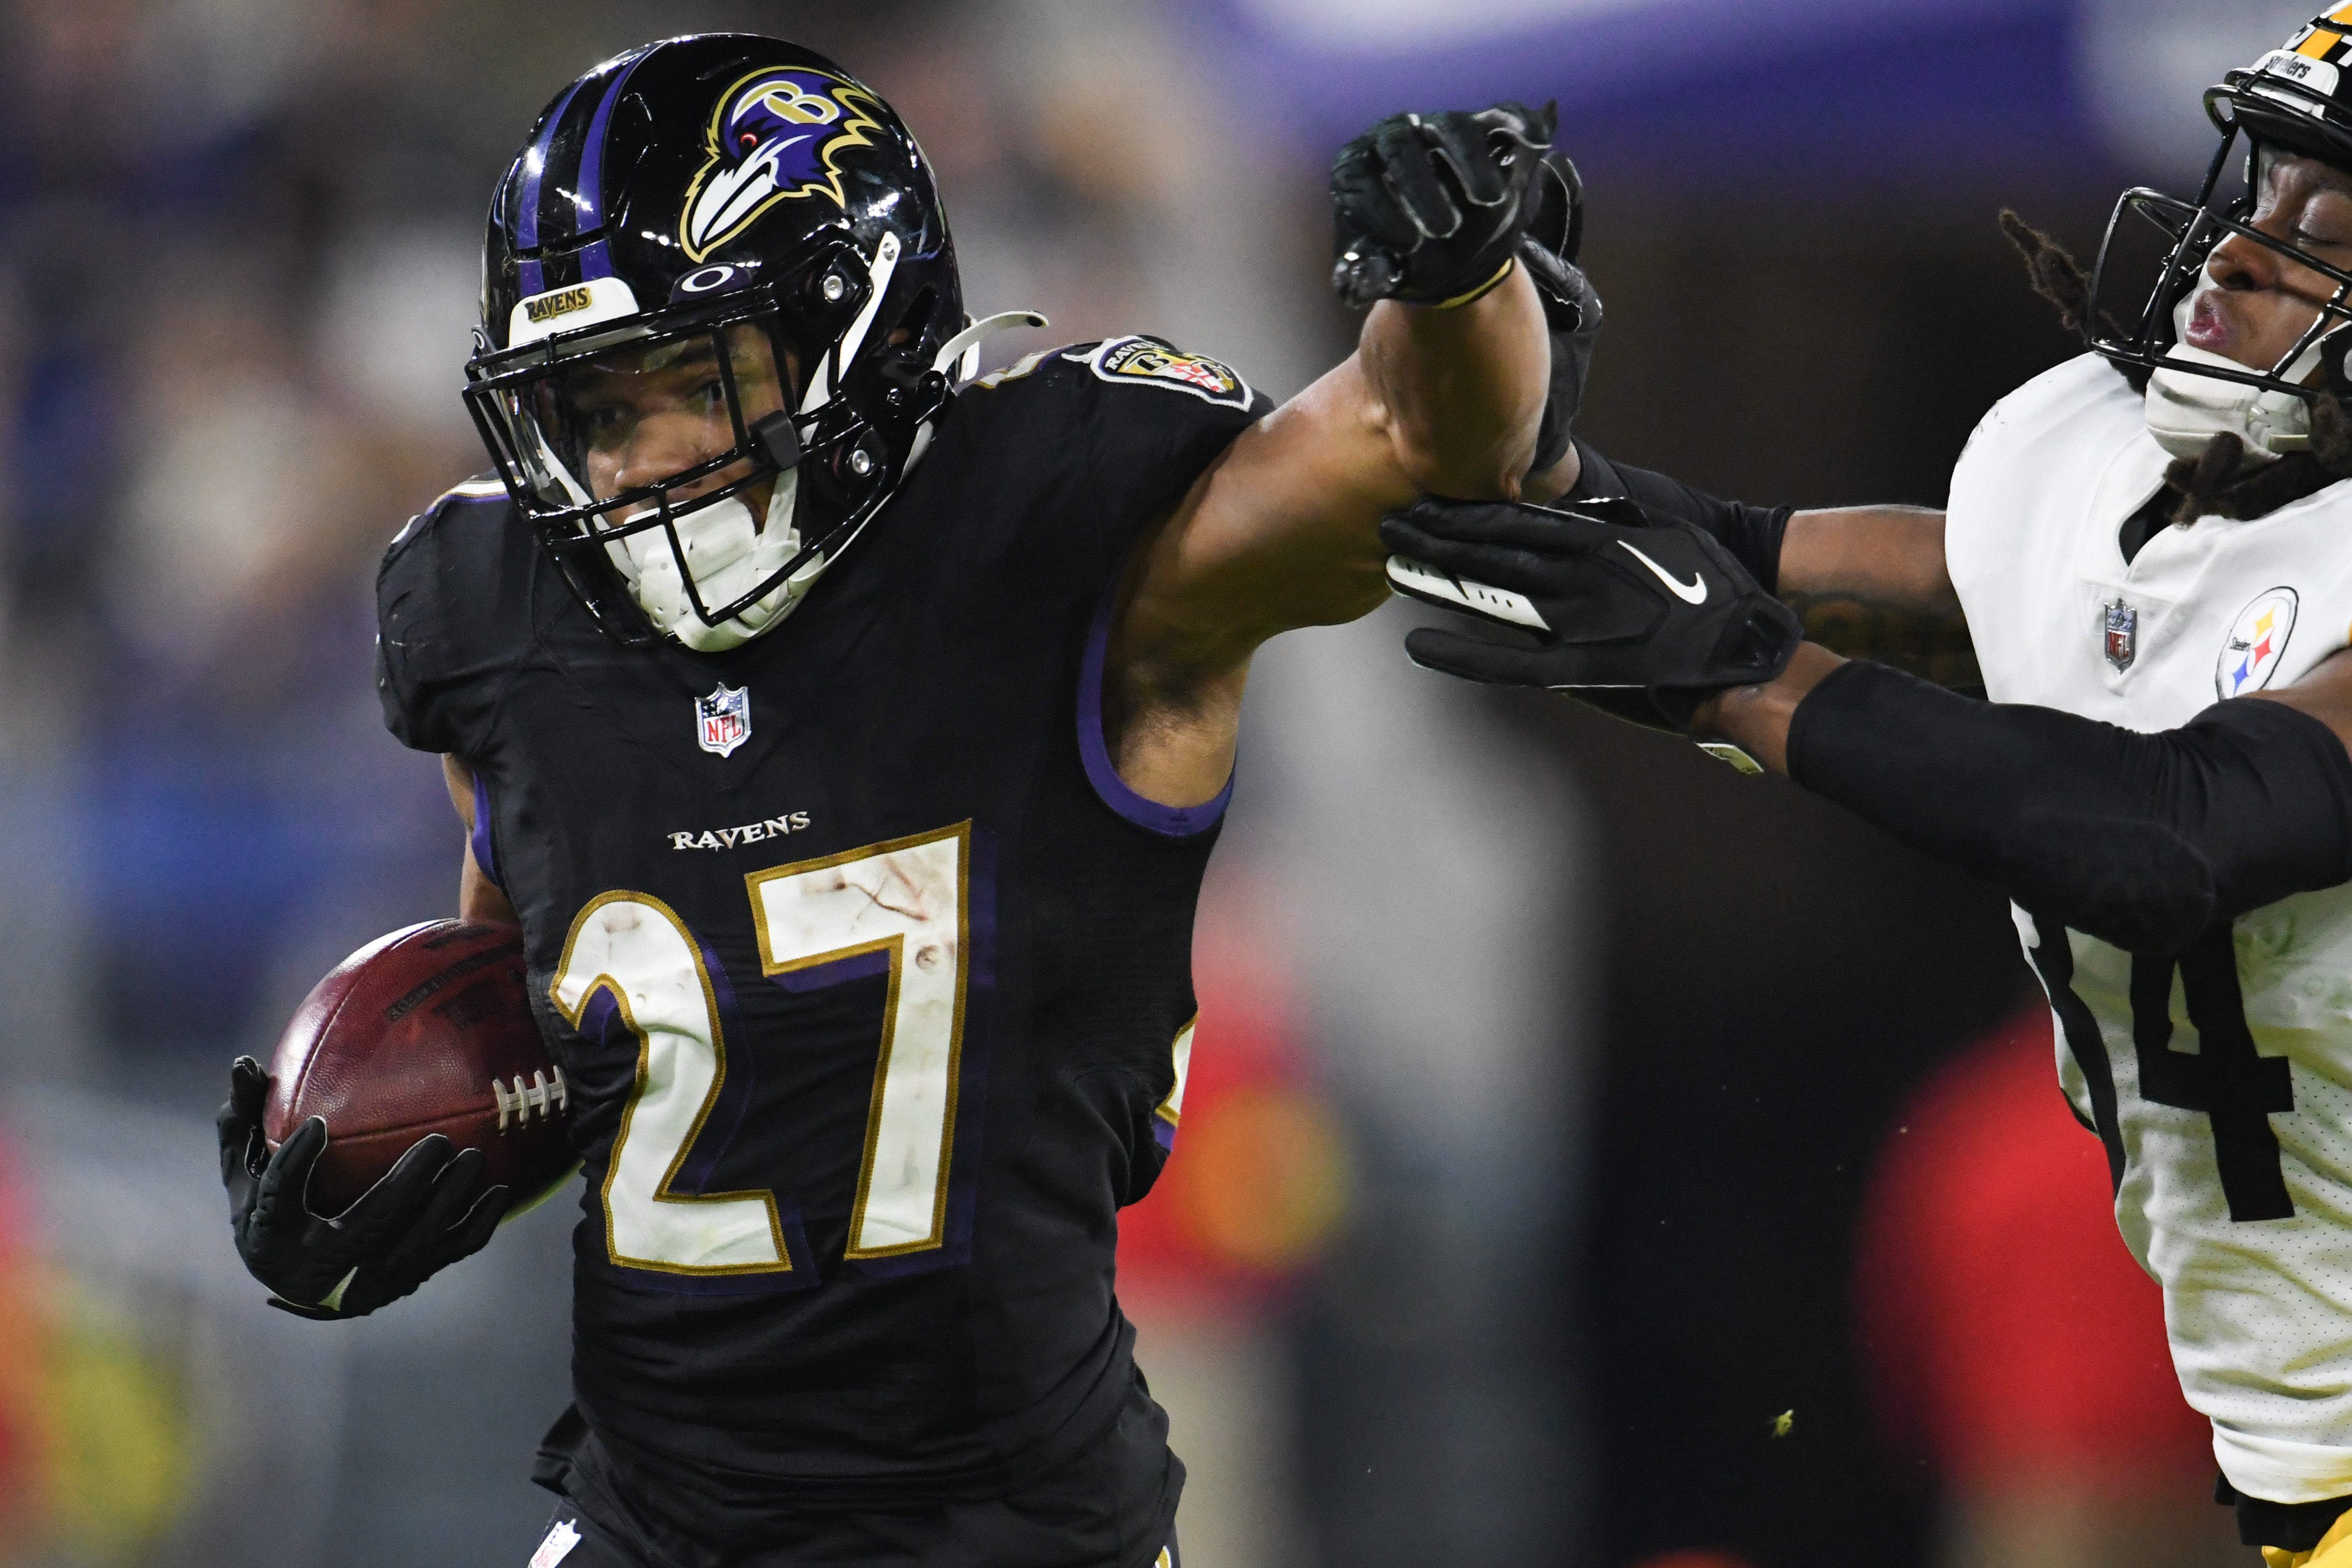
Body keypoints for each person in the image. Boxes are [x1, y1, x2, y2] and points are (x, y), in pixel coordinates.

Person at [211, 32, 1598, 1568]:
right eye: (598, 406)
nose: (642, 459)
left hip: (1002, 1530)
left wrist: (1468, 284)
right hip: (658, 1525)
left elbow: (1424, 439)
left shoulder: (1059, 534)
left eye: (697, 379)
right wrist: (401, 1160)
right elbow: (566, 1024)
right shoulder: (497, 621)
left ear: (850, 331)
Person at [1383, 10, 2352, 1567]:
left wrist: (1736, 677)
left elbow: (2176, 834)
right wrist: (1490, 386)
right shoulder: (2179, 515)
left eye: (2325, 228)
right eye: (2258, 199)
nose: (2240, 257)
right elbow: (1731, 560)